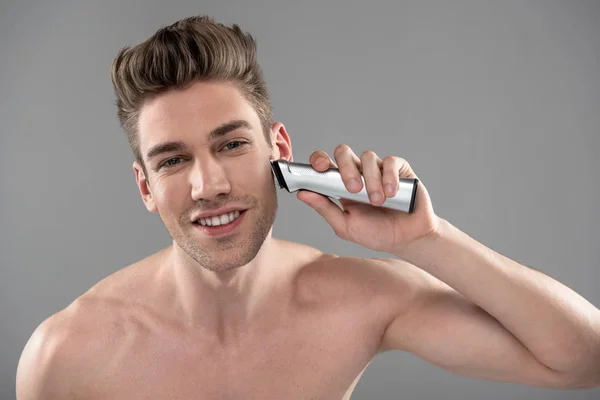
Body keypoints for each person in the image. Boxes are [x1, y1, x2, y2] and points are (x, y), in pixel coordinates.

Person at [16, 14, 600, 399]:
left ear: (281, 150)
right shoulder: (66, 356)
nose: (208, 184)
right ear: (145, 187)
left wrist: (427, 241)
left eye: (232, 144)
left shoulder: (359, 301)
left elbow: (582, 359)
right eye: (173, 160)